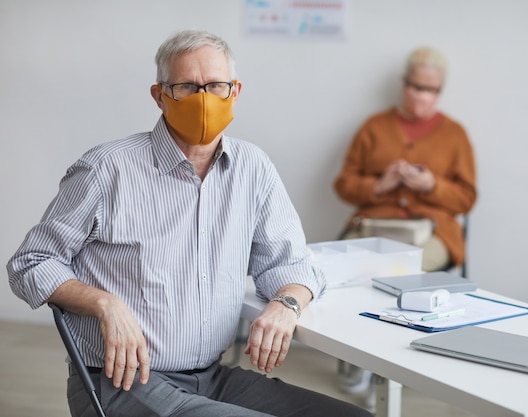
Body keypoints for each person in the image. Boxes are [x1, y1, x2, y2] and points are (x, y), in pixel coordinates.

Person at [7, 30, 372, 417]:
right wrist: (104, 303)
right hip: (121, 382)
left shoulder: (253, 168)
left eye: (216, 85)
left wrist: (287, 303)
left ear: (235, 91)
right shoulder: (105, 169)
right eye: (186, 87)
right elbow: (30, 261)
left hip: (211, 378)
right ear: (160, 95)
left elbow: (290, 264)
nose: (203, 99)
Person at [333, 46, 477, 408]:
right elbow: (343, 184)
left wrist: (432, 186)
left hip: (433, 230)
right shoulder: (374, 126)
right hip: (373, 225)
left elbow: (467, 198)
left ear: (440, 91)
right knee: (347, 269)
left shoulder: (455, 134)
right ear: (403, 84)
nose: (421, 96)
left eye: (430, 90)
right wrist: (378, 186)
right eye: (415, 87)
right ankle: (359, 357)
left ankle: (387, 365)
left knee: (401, 275)